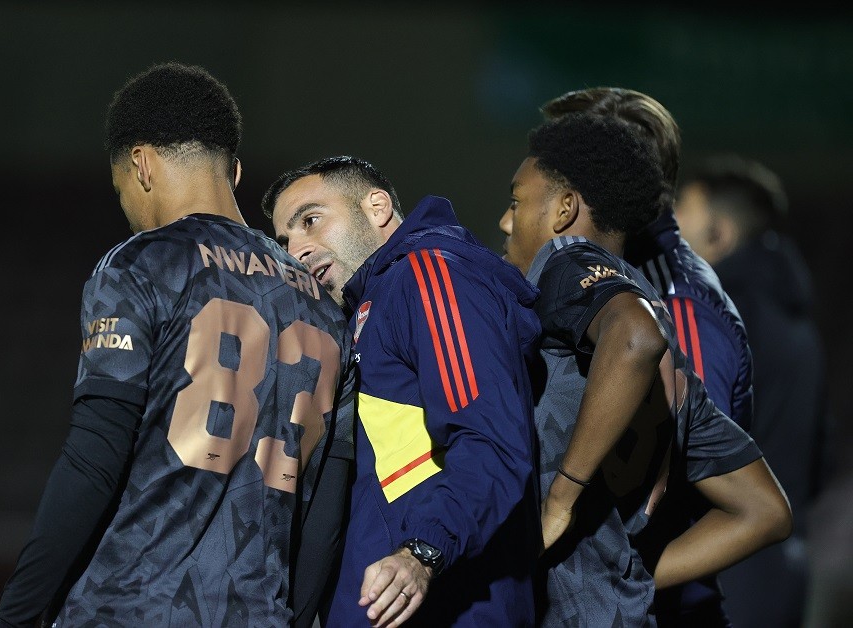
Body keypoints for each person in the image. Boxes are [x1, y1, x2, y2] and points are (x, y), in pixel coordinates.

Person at [0, 62, 355, 627]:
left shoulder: (141, 265)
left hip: (129, 608)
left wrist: (16, 614)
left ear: (140, 165)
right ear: (232, 171)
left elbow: (93, 460)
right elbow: (326, 506)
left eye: (120, 192)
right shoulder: (326, 308)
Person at [498, 112, 792, 626]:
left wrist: (560, 499)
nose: (505, 220)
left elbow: (634, 336)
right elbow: (765, 512)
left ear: (565, 209)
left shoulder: (564, 260)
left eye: (518, 201)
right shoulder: (670, 357)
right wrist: (627, 577)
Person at [263, 156, 542, 626]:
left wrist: (422, 553)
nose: (298, 250)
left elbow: (491, 441)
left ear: (376, 206)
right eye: (286, 241)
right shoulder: (366, 307)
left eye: (310, 221)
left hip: (448, 605)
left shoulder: (429, 274)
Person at [675, 155, 830, 627]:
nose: (669, 228)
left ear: (719, 234)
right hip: (786, 565)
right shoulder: (797, 319)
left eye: (681, 212)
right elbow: (824, 458)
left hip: (726, 566)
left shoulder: (722, 318)